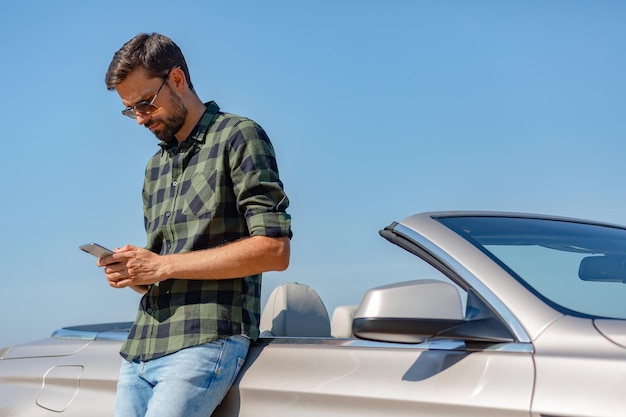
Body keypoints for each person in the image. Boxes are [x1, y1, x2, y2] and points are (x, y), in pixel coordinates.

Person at [100, 32, 292, 417]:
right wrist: (134, 272)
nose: (140, 119)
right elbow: (162, 269)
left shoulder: (239, 136)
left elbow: (275, 249)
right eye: (130, 110)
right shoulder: (156, 167)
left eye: (145, 104)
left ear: (177, 80)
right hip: (141, 348)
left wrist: (163, 265)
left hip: (204, 340)